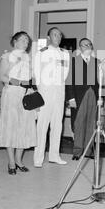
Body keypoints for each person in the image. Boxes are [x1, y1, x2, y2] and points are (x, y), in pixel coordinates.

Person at [0, 32, 37, 175]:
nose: (26, 42)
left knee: (24, 128)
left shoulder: (29, 58)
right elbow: (2, 77)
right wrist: (19, 82)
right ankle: (11, 162)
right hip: (12, 94)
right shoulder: (7, 56)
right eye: (23, 40)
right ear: (15, 41)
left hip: (26, 95)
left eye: (28, 40)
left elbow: (31, 78)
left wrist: (32, 88)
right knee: (11, 127)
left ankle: (19, 160)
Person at [33, 27, 70, 167]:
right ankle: (38, 158)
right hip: (45, 91)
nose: (58, 37)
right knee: (42, 125)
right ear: (49, 37)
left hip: (59, 91)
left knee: (57, 124)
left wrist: (58, 86)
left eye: (60, 35)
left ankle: (54, 155)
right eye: (55, 34)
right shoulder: (41, 52)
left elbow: (65, 73)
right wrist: (40, 92)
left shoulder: (65, 53)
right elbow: (37, 73)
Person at [66, 38, 99, 160]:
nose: (87, 46)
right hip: (79, 96)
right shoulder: (74, 61)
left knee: (91, 124)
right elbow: (69, 81)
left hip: (93, 95)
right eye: (84, 45)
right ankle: (77, 151)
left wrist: (101, 98)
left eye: (89, 44)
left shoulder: (96, 62)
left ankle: (88, 151)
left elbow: (99, 82)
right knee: (79, 124)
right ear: (80, 48)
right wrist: (71, 98)